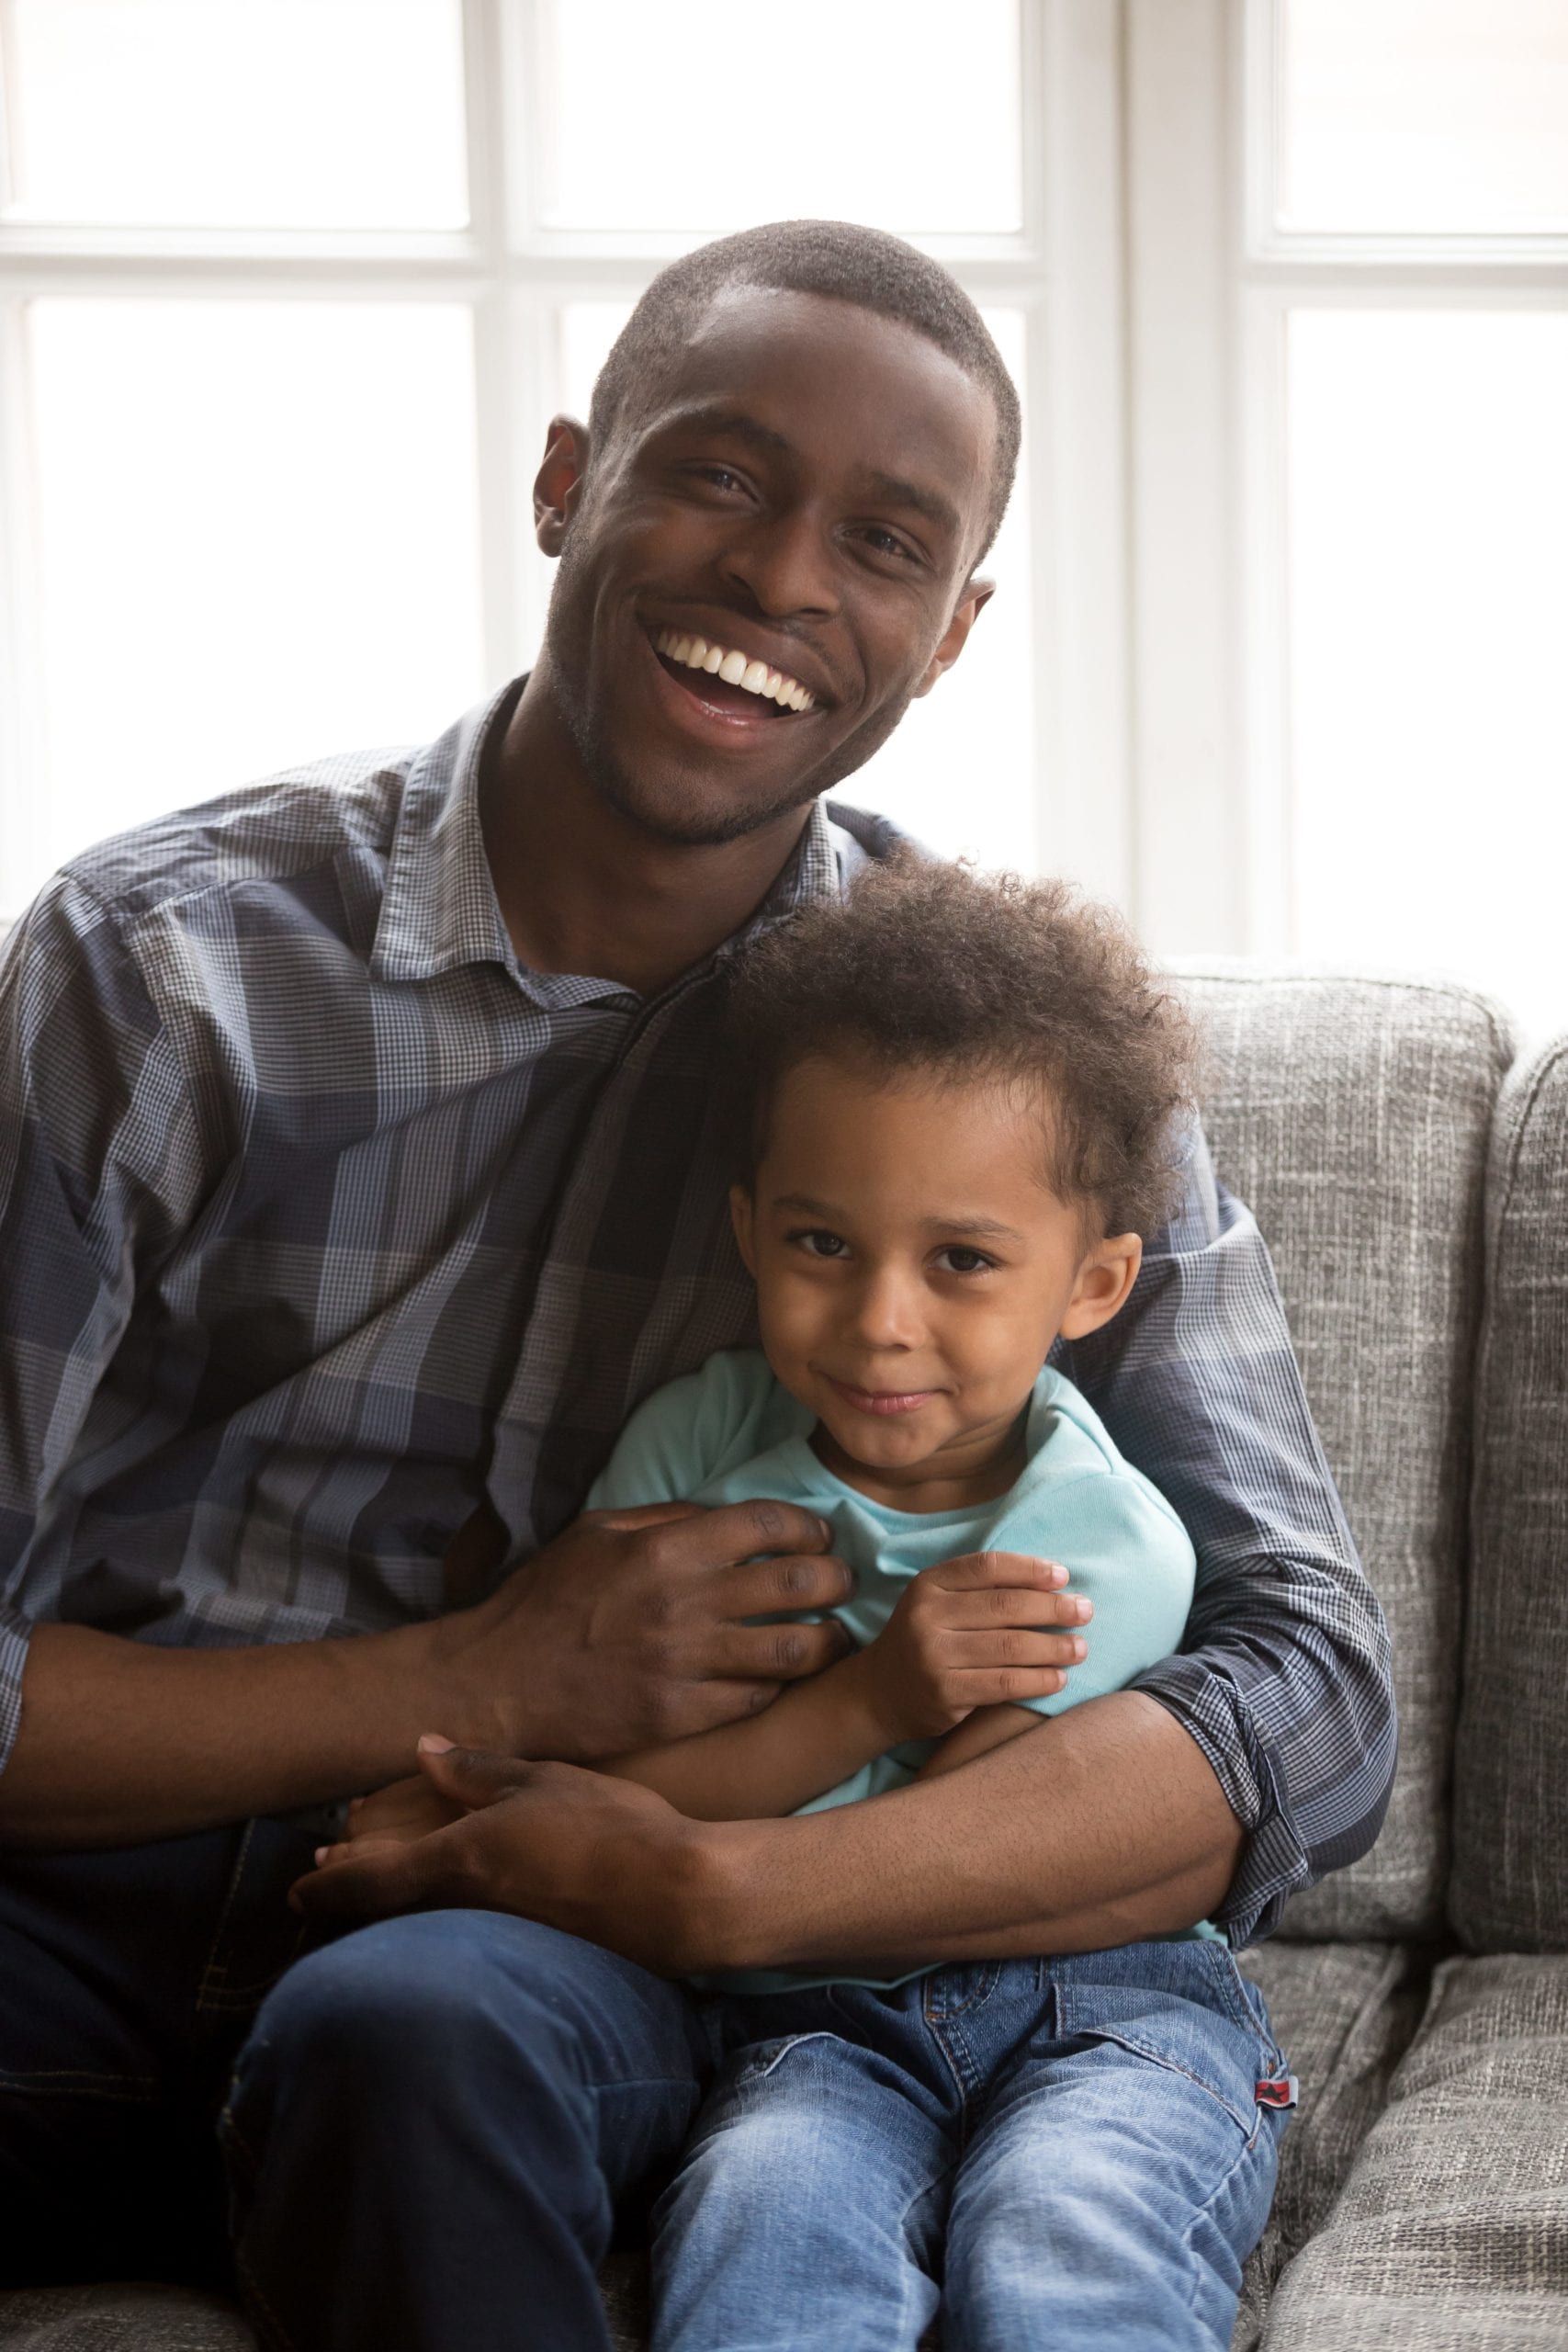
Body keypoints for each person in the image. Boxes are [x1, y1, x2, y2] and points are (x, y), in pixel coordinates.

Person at [0, 220, 1389, 2345]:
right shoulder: (159, 965)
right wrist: (482, 1674)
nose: (778, 580)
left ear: (946, 637)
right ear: (569, 481)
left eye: (884, 541)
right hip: (78, 1912)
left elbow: (1306, 1689)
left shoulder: (989, 1074)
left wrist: (726, 1877)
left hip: (523, 1948)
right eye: (719, 475)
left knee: (412, 2038)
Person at [322, 855, 1295, 2351]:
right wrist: (864, 1705)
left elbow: (946, 1861)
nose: (880, 1320)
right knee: (765, 2241)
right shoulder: (693, 1452)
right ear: (747, 1228)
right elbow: (617, 1781)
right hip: (811, 2026)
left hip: (1101, 2004)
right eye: (821, 1244)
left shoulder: (1102, 1538)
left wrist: (649, 1833)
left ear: (1093, 1286)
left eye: (963, 1261)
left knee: (1065, 2246)